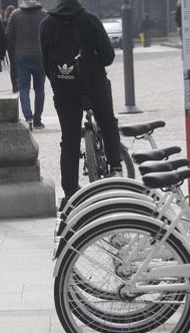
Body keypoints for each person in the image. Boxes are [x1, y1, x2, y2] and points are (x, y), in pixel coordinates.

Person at [41, 0, 121, 205]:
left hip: (64, 90)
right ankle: (115, 168)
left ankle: (69, 191)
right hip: (94, 86)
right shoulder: (90, 20)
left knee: (69, 137)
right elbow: (108, 57)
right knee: (107, 122)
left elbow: (45, 61)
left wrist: (59, 82)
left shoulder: (47, 23)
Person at [7, 0, 48, 130]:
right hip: (40, 56)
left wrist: (18, 43)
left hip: (22, 55)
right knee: (39, 88)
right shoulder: (44, 14)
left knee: (23, 88)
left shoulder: (15, 14)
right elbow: (49, 34)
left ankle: (28, 117)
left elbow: (8, 34)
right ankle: (37, 120)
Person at [2, 5, 19, 93]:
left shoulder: (4, 23)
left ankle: (14, 85)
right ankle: (18, 82)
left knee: (13, 66)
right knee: (18, 65)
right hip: (18, 45)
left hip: (10, 47)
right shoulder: (16, 21)